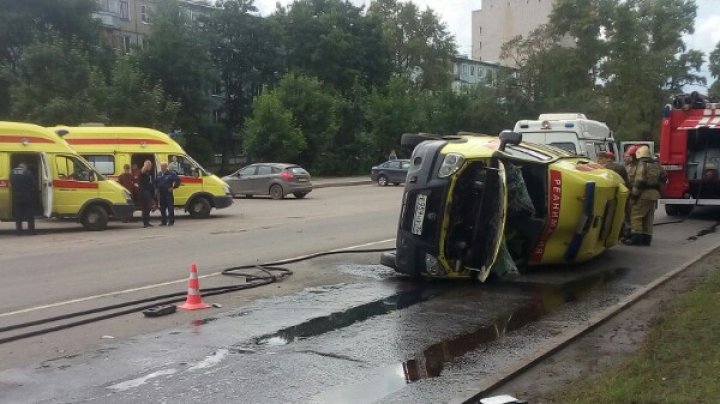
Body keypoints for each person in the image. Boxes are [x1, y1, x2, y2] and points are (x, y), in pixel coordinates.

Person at [625, 145, 664, 246]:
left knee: (636, 216)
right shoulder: (656, 164)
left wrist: (634, 196)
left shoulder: (642, 164)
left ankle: (636, 239)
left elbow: (639, 181)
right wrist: (659, 190)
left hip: (643, 194)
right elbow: (663, 178)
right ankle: (646, 240)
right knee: (648, 218)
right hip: (654, 194)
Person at [10, 162, 39, 235]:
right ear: (24, 167)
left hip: (16, 196)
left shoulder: (12, 173)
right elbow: (33, 184)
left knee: (18, 215)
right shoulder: (27, 173)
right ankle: (31, 231)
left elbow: (11, 184)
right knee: (29, 215)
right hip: (27, 196)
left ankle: (19, 232)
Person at [156, 162, 181, 226]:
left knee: (170, 208)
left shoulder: (171, 174)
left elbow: (178, 180)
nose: (162, 168)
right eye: (161, 166)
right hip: (161, 193)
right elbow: (156, 182)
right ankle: (163, 221)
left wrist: (173, 187)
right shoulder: (159, 174)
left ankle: (171, 221)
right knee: (162, 208)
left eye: (163, 166)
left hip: (168, 193)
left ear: (166, 167)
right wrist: (156, 188)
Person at [138, 160, 156, 228]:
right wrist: (146, 164)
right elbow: (142, 170)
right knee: (145, 208)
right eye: (149, 165)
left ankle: (147, 222)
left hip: (148, 191)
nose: (150, 167)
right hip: (144, 192)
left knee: (148, 208)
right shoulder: (142, 172)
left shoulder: (148, 173)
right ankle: (145, 223)